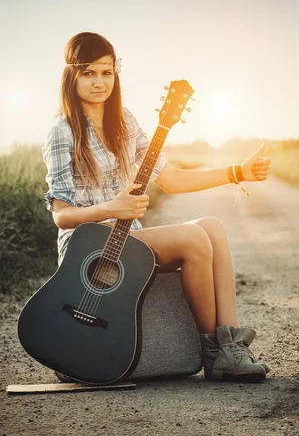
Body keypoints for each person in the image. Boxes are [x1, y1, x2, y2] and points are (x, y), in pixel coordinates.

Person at [43, 32, 271, 383]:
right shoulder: (63, 130)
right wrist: (111, 208)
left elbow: (173, 179)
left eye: (107, 72)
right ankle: (212, 351)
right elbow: (61, 215)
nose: (100, 82)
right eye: (89, 73)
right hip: (86, 248)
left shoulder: (125, 121)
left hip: (128, 239)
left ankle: (230, 346)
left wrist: (237, 171)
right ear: (71, 75)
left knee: (213, 227)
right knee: (193, 238)